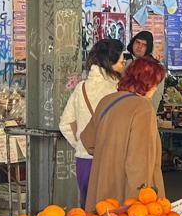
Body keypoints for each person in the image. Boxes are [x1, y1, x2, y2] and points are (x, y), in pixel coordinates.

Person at [78, 57, 166, 207]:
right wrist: (140, 204)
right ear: (146, 83)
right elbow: (139, 162)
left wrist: (110, 157)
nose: (156, 89)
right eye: (155, 83)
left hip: (101, 186)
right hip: (127, 195)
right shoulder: (143, 108)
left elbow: (88, 141)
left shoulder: (107, 101)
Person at [59, 38, 125, 206]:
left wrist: (82, 143)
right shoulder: (119, 90)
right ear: (110, 63)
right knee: (112, 212)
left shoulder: (81, 88)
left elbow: (65, 124)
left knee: (88, 212)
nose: (123, 67)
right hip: (113, 161)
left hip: (85, 160)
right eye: (121, 62)